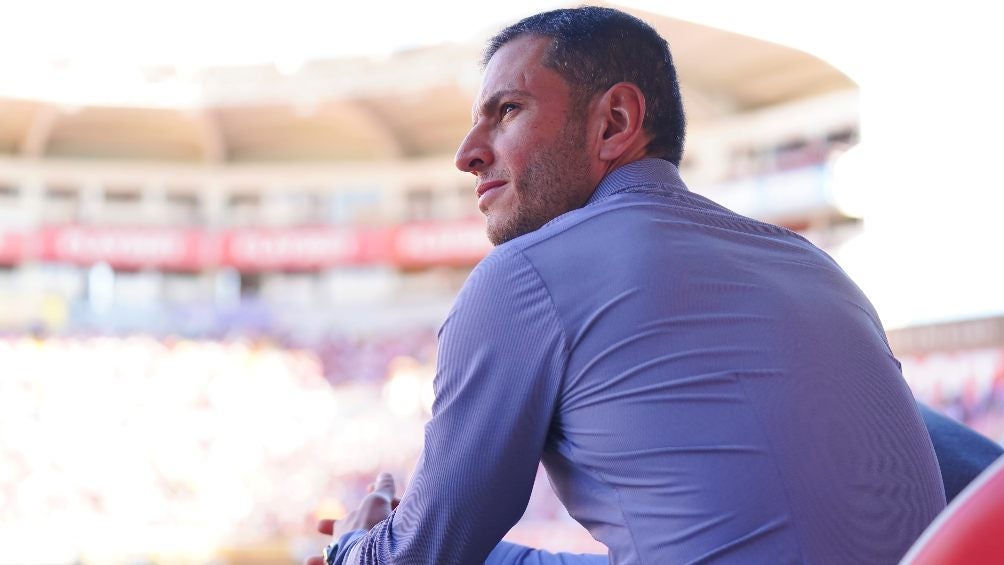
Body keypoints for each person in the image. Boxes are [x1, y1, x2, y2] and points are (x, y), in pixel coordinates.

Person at [307, 7, 946, 564]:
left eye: (507, 110)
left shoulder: (524, 276)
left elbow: (423, 556)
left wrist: (353, 549)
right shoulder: (815, 267)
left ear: (614, 121)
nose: (467, 153)